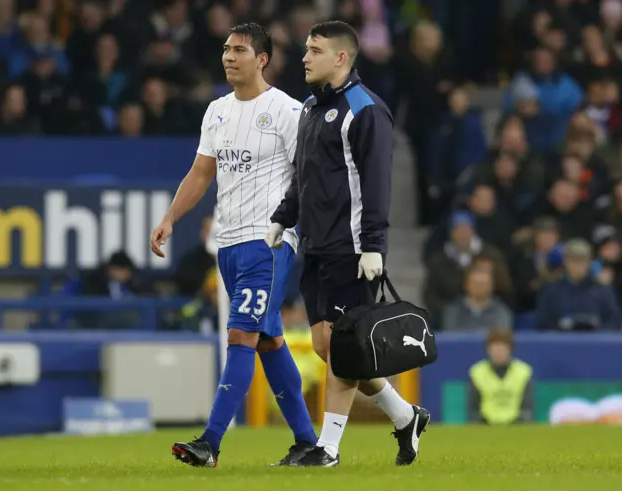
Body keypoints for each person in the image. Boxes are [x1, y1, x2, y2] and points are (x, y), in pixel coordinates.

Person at [150, 23, 317, 468]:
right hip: (227, 244)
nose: (228, 56)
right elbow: (202, 173)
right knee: (268, 342)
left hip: (269, 241)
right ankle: (307, 442)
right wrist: (170, 217)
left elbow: (308, 175)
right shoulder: (216, 111)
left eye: (239, 50)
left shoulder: (287, 110)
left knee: (241, 333)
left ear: (262, 59)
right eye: (225, 49)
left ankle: (210, 443)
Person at [266, 21, 429, 467]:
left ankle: (328, 448)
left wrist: (373, 244)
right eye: (305, 49)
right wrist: (284, 217)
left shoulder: (366, 110)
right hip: (316, 246)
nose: (304, 57)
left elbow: (377, 182)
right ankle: (405, 416)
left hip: (352, 248)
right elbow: (305, 173)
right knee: (328, 347)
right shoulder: (310, 109)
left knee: (340, 349)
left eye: (314, 50)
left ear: (340, 58)